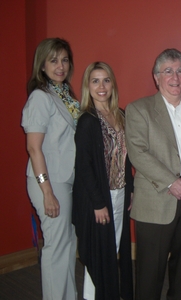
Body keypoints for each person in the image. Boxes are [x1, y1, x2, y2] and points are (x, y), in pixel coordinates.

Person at [125, 48, 181, 300]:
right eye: (168, 71)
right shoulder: (138, 109)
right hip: (156, 201)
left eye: (180, 71)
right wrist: (171, 182)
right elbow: (138, 153)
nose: (174, 77)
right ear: (156, 77)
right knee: (148, 275)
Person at [21, 38, 79, 300]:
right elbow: (34, 148)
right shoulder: (40, 97)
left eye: (65, 60)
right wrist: (46, 192)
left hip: (66, 180)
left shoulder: (65, 95)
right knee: (57, 248)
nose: (60, 66)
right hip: (49, 181)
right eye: (53, 60)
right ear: (42, 66)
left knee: (68, 245)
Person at [72, 62, 133, 300]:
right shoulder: (87, 120)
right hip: (97, 199)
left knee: (113, 248)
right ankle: (91, 297)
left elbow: (128, 159)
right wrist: (98, 203)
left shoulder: (121, 115)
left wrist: (132, 189)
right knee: (98, 253)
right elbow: (84, 166)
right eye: (95, 80)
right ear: (88, 85)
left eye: (106, 80)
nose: (101, 86)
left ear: (113, 84)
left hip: (119, 193)